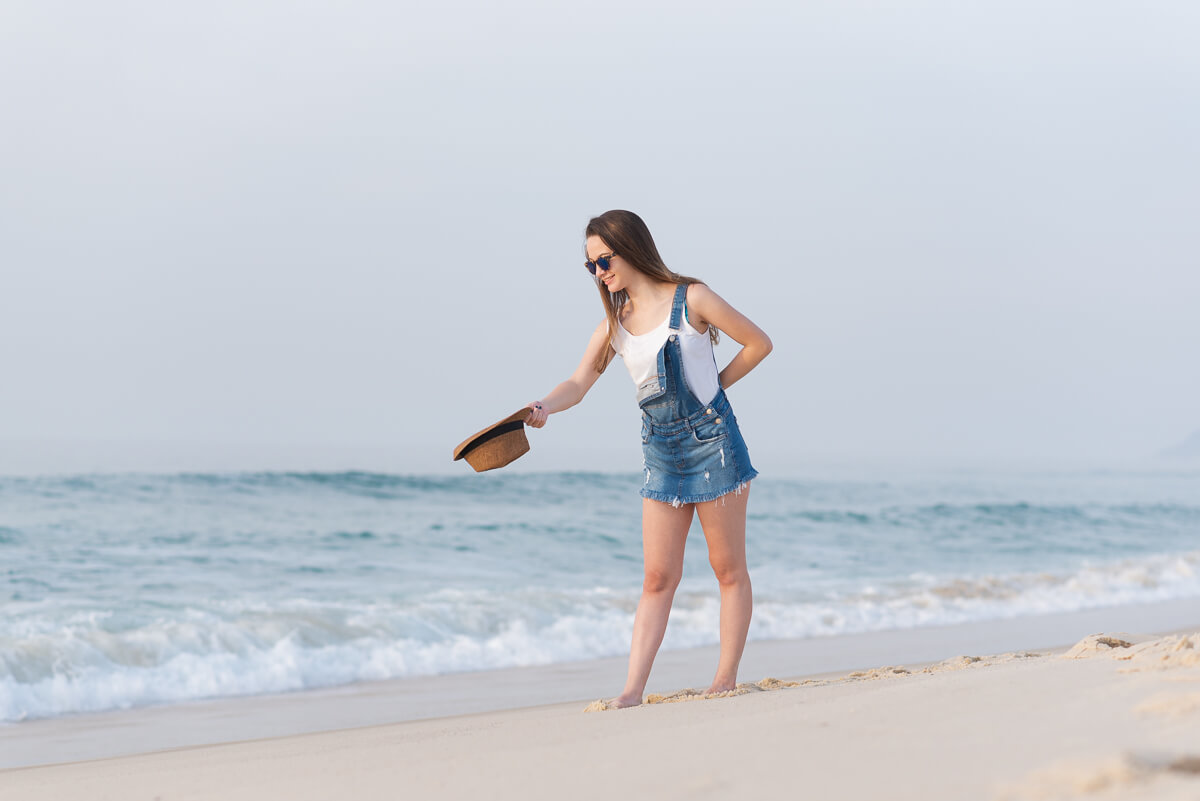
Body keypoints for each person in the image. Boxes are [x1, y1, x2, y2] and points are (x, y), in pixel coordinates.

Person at [524, 210, 772, 708]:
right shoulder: (614, 325)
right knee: (658, 577)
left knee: (727, 569)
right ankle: (632, 690)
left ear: (629, 247)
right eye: (590, 265)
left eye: (604, 259)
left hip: (713, 442)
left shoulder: (693, 298)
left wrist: (715, 390)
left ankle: (724, 678)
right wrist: (543, 407)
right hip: (659, 449)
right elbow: (577, 383)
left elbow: (758, 343)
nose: (599, 272)